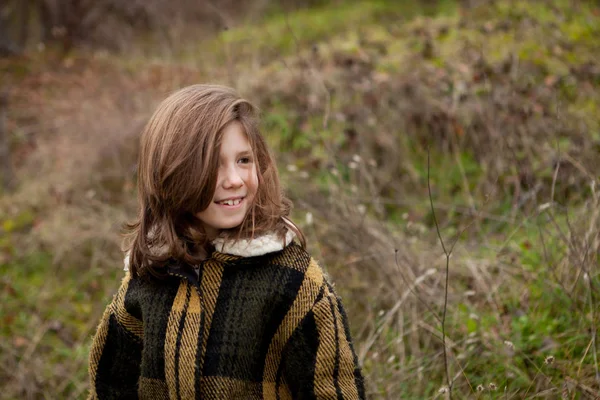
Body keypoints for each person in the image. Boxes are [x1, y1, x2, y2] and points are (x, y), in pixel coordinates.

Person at [87, 84, 366, 399]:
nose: (234, 179)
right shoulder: (149, 276)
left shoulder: (295, 282)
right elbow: (109, 389)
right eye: (214, 163)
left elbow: (335, 392)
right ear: (172, 171)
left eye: (244, 160)